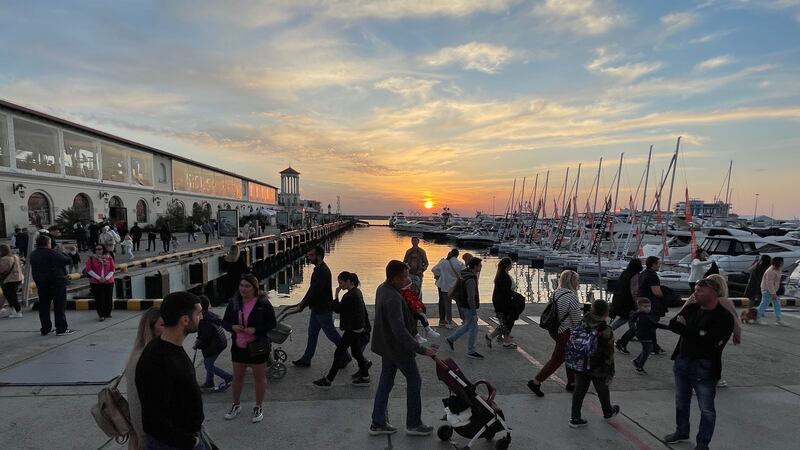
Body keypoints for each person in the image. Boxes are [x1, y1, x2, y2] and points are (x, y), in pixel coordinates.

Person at [664, 278, 734, 450]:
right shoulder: (692, 307)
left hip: (704, 367)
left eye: (700, 291)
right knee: (681, 400)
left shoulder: (723, 317)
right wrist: (696, 333)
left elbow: (710, 341)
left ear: (713, 292)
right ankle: (682, 431)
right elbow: (673, 324)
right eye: (695, 290)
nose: (695, 293)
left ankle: (703, 444)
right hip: (683, 361)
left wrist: (687, 330)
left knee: (706, 409)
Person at [370, 260, 437, 436]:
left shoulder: (383, 289)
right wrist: (422, 349)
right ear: (397, 277)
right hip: (398, 349)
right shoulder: (392, 297)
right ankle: (413, 424)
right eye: (405, 276)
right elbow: (399, 330)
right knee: (415, 381)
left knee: (385, 383)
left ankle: (377, 423)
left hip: (387, 347)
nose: (408, 278)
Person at [135, 292, 205, 449]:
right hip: (174, 444)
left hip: (186, 436)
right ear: (185, 320)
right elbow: (153, 418)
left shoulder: (170, 348)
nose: (202, 318)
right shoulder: (157, 359)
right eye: (199, 313)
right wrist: (189, 442)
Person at [221, 275, 276, 423]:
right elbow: (225, 322)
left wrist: (256, 330)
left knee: (259, 377)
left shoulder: (263, 303)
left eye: (247, 286)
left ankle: (258, 406)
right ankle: (236, 404)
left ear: (255, 288)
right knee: (238, 377)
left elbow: (272, 323)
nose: (243, 289)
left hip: (257, 346)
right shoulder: (234, 303)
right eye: (241, 286)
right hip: (239, 345)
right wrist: (232, 327)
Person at [527, 270, 584, 397]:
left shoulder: (556, 292)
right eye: (576, 280)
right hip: (564, 331)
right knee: (557, 358)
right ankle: (536, 381)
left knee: (568, 355)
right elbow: (576, 320)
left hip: (554, 329)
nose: (577, 283)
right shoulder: (572, 297)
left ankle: (572, 382)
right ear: (571, 281)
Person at [289, 245, 347, 367]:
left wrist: (303, 304)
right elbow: (312, 289)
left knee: (331, 334)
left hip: (323, 309)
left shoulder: (323, 271)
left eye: (311, 255)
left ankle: (346, 356)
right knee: (312, 333)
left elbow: (316, 290)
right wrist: (303, 302)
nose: (309, 258)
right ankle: (306, 359)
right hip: (317, 308)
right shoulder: (318, 269)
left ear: (319, 256)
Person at [313, 271, 372, 387]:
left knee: (339, 353)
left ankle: (328, 380)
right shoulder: (357, 292)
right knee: (356, 353)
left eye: (341, 283)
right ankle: (365, 377)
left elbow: (337, 309)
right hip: (358, 328)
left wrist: (336, 294)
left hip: (352, 329)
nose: (340, 285)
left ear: (348, 281)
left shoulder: (349, 295)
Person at [569, 299, 620, 428]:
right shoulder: (605, 329)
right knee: (602, 389)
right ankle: (607, 411)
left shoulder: (582, 322)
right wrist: (610, 369)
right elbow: (609, 352)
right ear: (606, 313)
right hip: (598, 365)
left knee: (579, 390)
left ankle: (575, 417)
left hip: (581, 361)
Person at [685, 274, 741, 388]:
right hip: (716, 334)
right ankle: (714, 379)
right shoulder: (723, 301)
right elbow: (735, 321)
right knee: (714, 356)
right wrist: (737, 335)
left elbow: (683, 312)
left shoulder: (695, 297)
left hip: (694, 331)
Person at [125, 307, 164, 450]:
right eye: (162, 325)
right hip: (149, 436)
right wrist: (142, 436)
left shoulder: (157, 353)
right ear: (151, 329)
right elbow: (135, 402)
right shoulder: (143, 359)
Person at [29, 235, 74, 336]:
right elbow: (67, 261)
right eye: (50, 242)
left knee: (44, 307)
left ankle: (45, 328)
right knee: (59, 306)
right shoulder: (51, 252)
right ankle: (61, 328)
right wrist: (62, 252)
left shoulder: (33, 254)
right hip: (56, 283)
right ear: (47, 243)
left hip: (41, 284)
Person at [446, 257, 484, 360]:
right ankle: (471, 351)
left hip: (463, 304)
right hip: (468, 306)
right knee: (474, 328)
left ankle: (451, 339)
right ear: (475, 266)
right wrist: (474, 313)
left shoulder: (464, 274)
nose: (481, 267)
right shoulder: (471, 279)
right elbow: (471, 297)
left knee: (468, 325)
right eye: (480, 265)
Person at [195, 295, 233, 391]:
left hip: (214, 345)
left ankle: (228, 377)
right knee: (208, 360)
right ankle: (209, 382)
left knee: (208, 364)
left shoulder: (204, 320)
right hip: (218, 342)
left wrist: (198, 344)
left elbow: (205, 336)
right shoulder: (209, 315)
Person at [487, 257, 519, 349]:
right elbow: (506, 292)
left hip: (499, 301)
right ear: (508, 265)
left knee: (505, 322)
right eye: (511, 265)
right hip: (502, 302)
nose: (512, 266)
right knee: (506, 322)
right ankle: (491, 336)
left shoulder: (501, 274)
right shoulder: (504, 276)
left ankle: (506, 340)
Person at [611, 258, 642, 354]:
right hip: (627, 301)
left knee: (629, 318)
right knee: (626, 318)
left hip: (619, 299)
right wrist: (637, 302)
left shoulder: (625, 272)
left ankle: (631, 333)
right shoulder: (635, 275)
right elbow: (634, 290)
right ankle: (609, 331)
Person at [630, 298, 669, 374]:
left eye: (649, 306)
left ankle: (637, 361)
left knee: (647, 349)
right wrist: (668, 327)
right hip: (645, 336)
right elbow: (655, 324)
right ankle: (639, 368)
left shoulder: (640, 314)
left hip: (642, 335)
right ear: (639, 307)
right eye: (645, 306)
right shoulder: (644, 317)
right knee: (646, 351)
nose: (648, 308)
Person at [637, 256, 666, 354]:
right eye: (658, 263)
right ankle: (654, 348)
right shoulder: (652, 275)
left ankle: (655, 347)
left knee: (648, 325)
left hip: (642, 300)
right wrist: (666, 296)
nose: (659, 265)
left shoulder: (643, 273)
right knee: (651, 324)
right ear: (653, 264)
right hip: (650, 303)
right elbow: (657, 292)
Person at [431, 248, 463, 328]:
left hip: (445, 287)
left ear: (450, 254)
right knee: (459, 304)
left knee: (447, 305)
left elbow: (434, 269)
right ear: (457, 255)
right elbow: (463, 273)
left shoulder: (443, 262)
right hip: (456, 287)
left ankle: (449, 322)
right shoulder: (460, 264)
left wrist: (439, 275)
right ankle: (464, 319)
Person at [86, 244, 115, 321]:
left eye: (99, 249)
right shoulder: (91, 259)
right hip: (96, 282)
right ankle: (101, 315)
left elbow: (112, 269)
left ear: (103, 250)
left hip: (108, 281)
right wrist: (99, 278)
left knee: (108, 298)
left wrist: (106, 278)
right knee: (99, 299)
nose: (98, 251)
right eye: (96, 249)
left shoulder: (109, 258)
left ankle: (108, 313)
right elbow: (89, 270)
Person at [757, 257, 787, 326]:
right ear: (778, 263)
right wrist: (773, 293)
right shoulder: (771, 271)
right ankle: (757, 317)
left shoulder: (778, 269)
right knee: (765, 303)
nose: (783, 263)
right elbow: (769, 283)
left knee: (776, 303)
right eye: (782, 262)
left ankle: (778, 319)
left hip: (772, 290)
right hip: (767, 289)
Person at [0, 244, 24, 318]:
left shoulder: (4, 259)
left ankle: (18, 311)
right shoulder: (15, 257)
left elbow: (2, 269)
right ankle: (12, 310)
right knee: (11, 295)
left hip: (9, 280)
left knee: (11, 296)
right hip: (18, 278)